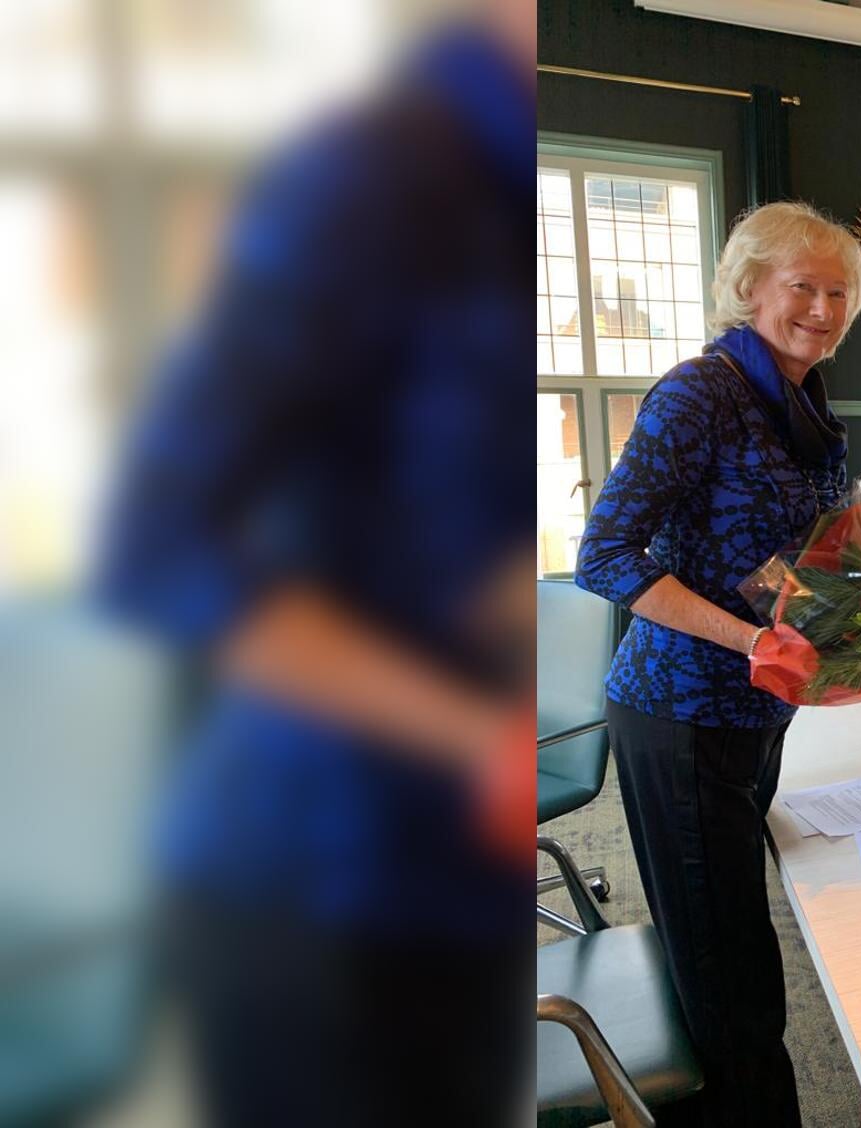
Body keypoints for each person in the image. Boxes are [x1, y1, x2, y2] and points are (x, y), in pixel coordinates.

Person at [94, 7, 534, 1125]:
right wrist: (471, 735)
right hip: (315, 888)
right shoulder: (365, 177)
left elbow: (417, 511)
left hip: (464, 889)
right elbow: (160, 540)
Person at [573, 199, 861, 1127]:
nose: (825, 307)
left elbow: (760, 550)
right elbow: (606, 557)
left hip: (755, 710)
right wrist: (751, 638)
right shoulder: (699, 392)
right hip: (683, 713)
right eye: (803, 286)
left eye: (841, 291)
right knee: (729, 973)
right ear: (747, 290)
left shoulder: (801, 398)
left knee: (729, 945)